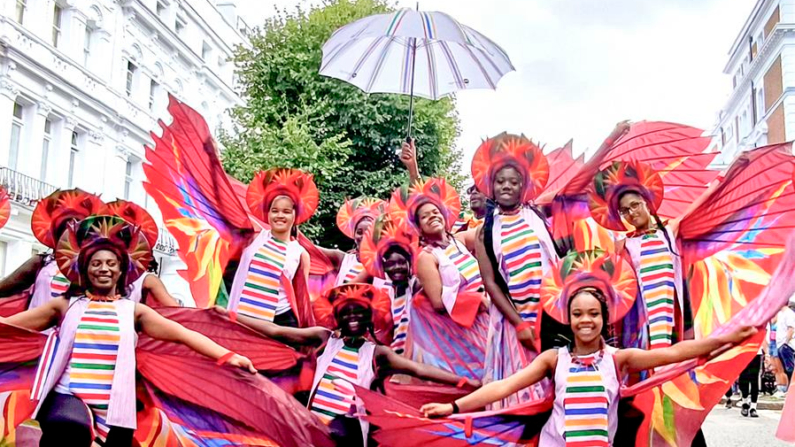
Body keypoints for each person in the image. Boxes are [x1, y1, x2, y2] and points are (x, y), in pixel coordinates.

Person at [420, 249, 757, 447]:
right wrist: (453, 408)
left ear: (604, 318)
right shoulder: (553, 359)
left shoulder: (619, 359)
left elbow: (675, 353)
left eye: (593, 314)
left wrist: (727, 338)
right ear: (567, 319)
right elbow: (503, 387)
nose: (586, 320)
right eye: (578, 314)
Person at [1, 215, 256, 447]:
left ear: (122, 270)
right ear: (85, 270)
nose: (104, 269)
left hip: (116, 403)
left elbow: (183, 334)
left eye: (111, 263)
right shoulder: (63, 306)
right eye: (96, 263)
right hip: (67, 396)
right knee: (69, 428)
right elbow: (10, 327)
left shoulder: (133, 311)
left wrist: (229, 356)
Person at [218, 283, 479, 447]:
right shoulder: (324, 338)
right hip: (310, 425)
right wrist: (230, 316)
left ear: (369, 318)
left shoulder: (378, 354)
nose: (353, 317)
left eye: (359, 313)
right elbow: (276, 331)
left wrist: (467, 384)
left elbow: (419, 370)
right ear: (338, 318)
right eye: (347, 313)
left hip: (347, 433)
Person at [471, 133, 561, 408]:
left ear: (524, 186)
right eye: (500, 182)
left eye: (514, 181)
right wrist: (519, 323)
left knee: (558, 379)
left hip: (551, 314)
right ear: (491, 186)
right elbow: (490, 283)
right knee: (523, 387)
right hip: (515, 321)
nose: (506, 186)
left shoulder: (538, 216)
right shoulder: (485, 231)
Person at [388, 178, 490, 379]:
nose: (432, 217)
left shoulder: (460, 240)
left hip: (488, 316)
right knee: (482, 377)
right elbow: (438, 302)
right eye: (425, 216)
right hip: (464, 329)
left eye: (435, 212)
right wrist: (477, 300)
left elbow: (486, 229)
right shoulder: (426, 257)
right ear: (418, 228)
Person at [226, 168, 315, 328]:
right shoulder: (254, 235)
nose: (279, 215)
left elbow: (302, 296)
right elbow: (224, 207)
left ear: (296, 215)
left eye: (286, 211)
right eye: (275, 211)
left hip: (281, 320)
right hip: (243, 316)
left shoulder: (301, 254)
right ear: (268, 213)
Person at [0, 189, 104, 310]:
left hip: (74, 327)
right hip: (35, 326)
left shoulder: (97, 266)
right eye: (67, 226)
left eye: (78, 227)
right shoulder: (42, 262)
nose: (71, 231)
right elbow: (3, 289)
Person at [359, 214, 419, 355]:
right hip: (398, 356)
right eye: (390, 264)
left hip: (419, 357)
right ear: (383, 268)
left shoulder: (415, 285)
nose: (396, 267)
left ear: (409, 263)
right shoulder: (389, 293)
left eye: (401, 262)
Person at [777, 298, 795, 386]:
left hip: (786, 345)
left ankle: (792, 388)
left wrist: (786, 343)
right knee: (785, 369)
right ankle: (789, 388)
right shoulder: (781, 314)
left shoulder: (789, 314)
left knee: (790, 368)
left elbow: (791, 329)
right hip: (780, 345)